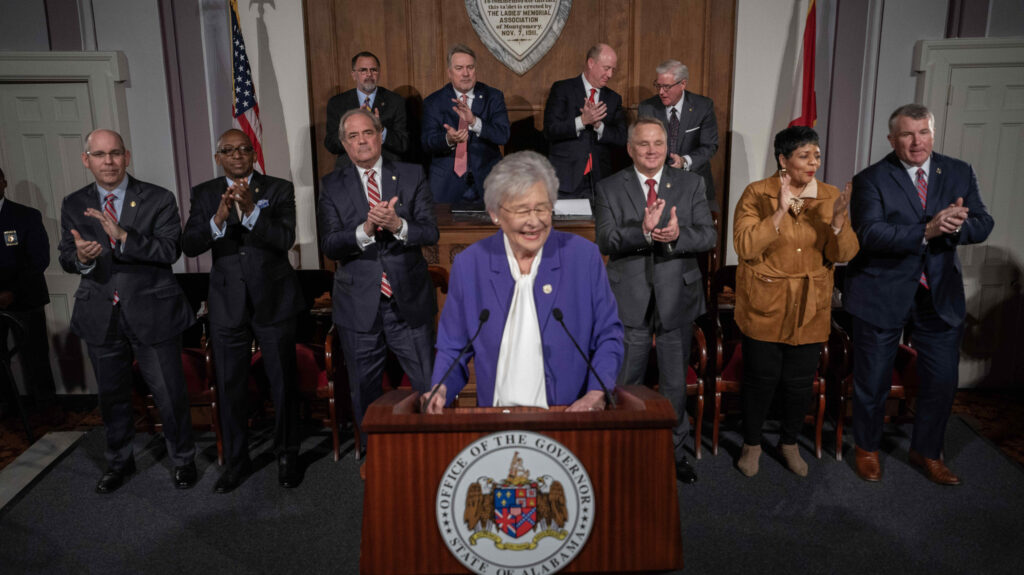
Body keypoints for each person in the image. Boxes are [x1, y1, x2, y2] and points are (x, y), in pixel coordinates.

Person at [845, 103, 994, 485]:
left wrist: (956, 226)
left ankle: (927, 451)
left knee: (941, 381)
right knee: (873, 381)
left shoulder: (958, 171)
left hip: (938, 294)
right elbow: (871, 233)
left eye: (923, 132)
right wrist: (928, 230)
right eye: (907, 134)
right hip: (881, 291)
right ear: (892, 139)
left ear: (932, 133)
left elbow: (983, 222)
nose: (917, 142)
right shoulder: (871, 179)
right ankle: (867, 448)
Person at [423, 151, 622, 413]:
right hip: (497, 421)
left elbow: (608, 335)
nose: (534, 221)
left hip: (569, 416)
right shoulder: (470, 265)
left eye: (542, 208)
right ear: (495, 213)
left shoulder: (583, 258)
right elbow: (453, 348)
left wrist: (597, 393)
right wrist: (440, 389)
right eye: (522, 210)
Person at [58, 129, 196, 493]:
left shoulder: (158, 198)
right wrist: (81, 258)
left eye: (115, 153)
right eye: (99, 155)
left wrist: (123, 237)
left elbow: (170, 250)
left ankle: (183, 459)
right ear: (86, 160)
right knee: (112, 397)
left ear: (126, 157)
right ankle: (119, 462)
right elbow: (66, 255)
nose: (108, 161)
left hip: (153, 313)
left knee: (169, 394)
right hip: (101, 316)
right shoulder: (73, 203)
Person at [181, 129, 305, 492]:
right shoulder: (205, 193)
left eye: (244, 149)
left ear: (254, 154)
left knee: (283, 384)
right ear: (218, 157)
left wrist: (251, 209)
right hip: (226, 304)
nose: (237, 155)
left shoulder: (278, 189)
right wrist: (218, 218)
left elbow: (285, 239)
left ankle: (287, 455)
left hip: (274, 300)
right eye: (229, 150)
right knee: (230, 386)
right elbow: (190, 245)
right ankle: (236, 461)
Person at [593, 117, 715, 483]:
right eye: (644, 144)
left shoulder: (691, 183)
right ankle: (622, 452)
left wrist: (677, 236)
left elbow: (707, 236)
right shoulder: (609, 187)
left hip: (677, 295)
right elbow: (606, 239)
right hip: (630, 297)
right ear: (630, 149)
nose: (652, 150)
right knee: (626, 380)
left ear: (667, 147)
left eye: (658, 143)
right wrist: (642, 232)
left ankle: (672, 454)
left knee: (674, 383)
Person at [732, 126, 859, 477]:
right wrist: (779, 212)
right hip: (765, 304)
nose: (813, 162)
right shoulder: (757, 193)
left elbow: (845, 254)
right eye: (804, 156)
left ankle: (788, 443)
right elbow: (744, 246)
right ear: (783, 160)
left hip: (811, 306)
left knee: (800, 382)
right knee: (760, 379)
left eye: (816, 155)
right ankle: (751, 444)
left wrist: (838, 223)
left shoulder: (830, 196)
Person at [320, 109, 439, 448]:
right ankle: (374, 458)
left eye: (368, 133)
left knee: (427, 384)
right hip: (359, 305)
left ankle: (432, 451)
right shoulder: (331, 185)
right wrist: (366, 229)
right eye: (353, 136)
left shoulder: (412, 174)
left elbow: (430, 232)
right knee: (364, 389)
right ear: (345, 144)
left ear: (380, 135)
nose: (362, 141)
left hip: (408, 302)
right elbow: (330, 244)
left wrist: (398, 225)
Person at [0, 166, 58, 415]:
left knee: (35, 356)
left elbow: (39, 259)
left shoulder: (26, 216)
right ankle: (7, 408)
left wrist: (11, 291)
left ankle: (47, 408)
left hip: (25, 298)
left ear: (4, 182)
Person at [421, 44, 510, 204]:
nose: (466, 73)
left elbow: (503, 135)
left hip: (488, 180)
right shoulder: (433, 102)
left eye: (470, 67)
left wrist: (475, 122)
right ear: (449, 72)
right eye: (459, 68)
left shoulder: (493, 97)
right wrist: (448, 139)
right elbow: (427, 142)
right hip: (446, 183)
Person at [544, 43, 627, 199]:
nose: (610, 74)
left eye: (613, 70)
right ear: (591, 63)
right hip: (566, 179)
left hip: (600, 181)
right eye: (606, 68)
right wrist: (582, 121)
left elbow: (622, 138)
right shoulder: (563, 89)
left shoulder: (613, 98)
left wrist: (599, 126)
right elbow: (550, 130)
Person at [638, 59, 719, 207]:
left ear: (683, 84)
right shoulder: (647, 108)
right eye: (658, 85)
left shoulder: (703, 106)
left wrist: (684, 161)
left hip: (694, 184)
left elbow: (709, 146)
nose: (661, 92)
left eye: (666, 87)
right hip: (658, 185)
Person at [324, 51, 409, 169]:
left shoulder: (395, 101)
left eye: (374, 70)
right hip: (350, 168)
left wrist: (380, 129)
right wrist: (352, 131)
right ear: (354, 75)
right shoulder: (337, 103)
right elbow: (331, 144)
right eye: (363, 70)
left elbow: (403, 144)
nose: (369, 74)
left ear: (379, 73)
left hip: (386, 167)